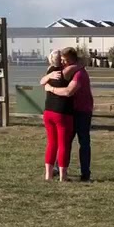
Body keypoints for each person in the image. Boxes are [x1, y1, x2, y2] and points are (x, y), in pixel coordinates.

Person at [49, 47, 95, 182]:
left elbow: (69, 91)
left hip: (82, 111)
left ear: (70, 60)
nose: (62, 62)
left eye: (64, 60)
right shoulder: (72, 70)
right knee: (65, 141)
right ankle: (60, 168)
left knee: (83, 142)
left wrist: (50, 89)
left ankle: (85, 173)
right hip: (70, 111)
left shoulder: (79, 74)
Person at [39, 49, 75, 182]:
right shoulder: (66, 71)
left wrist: (48, 80)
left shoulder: (50, 71)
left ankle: (48, 175)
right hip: (62, 112)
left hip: (48, 111)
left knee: (52, 143)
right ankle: (62, 176)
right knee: (63, 144)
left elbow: (42, 81)